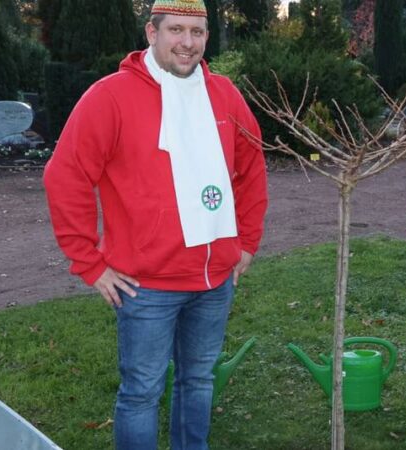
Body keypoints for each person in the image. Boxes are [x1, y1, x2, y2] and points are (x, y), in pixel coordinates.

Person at [42, 0, 268, 448]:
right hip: (146, 286)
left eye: (197, 32)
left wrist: (246, 241)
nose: (187, 43)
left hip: (214, 281)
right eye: (176, 30)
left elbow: (252, 166)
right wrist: (89, 262)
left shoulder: (224, 94)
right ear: (152, 32)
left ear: (207, 37)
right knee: (142, 392)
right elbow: (65, 175)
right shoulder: (110, 96)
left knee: (198, 380)